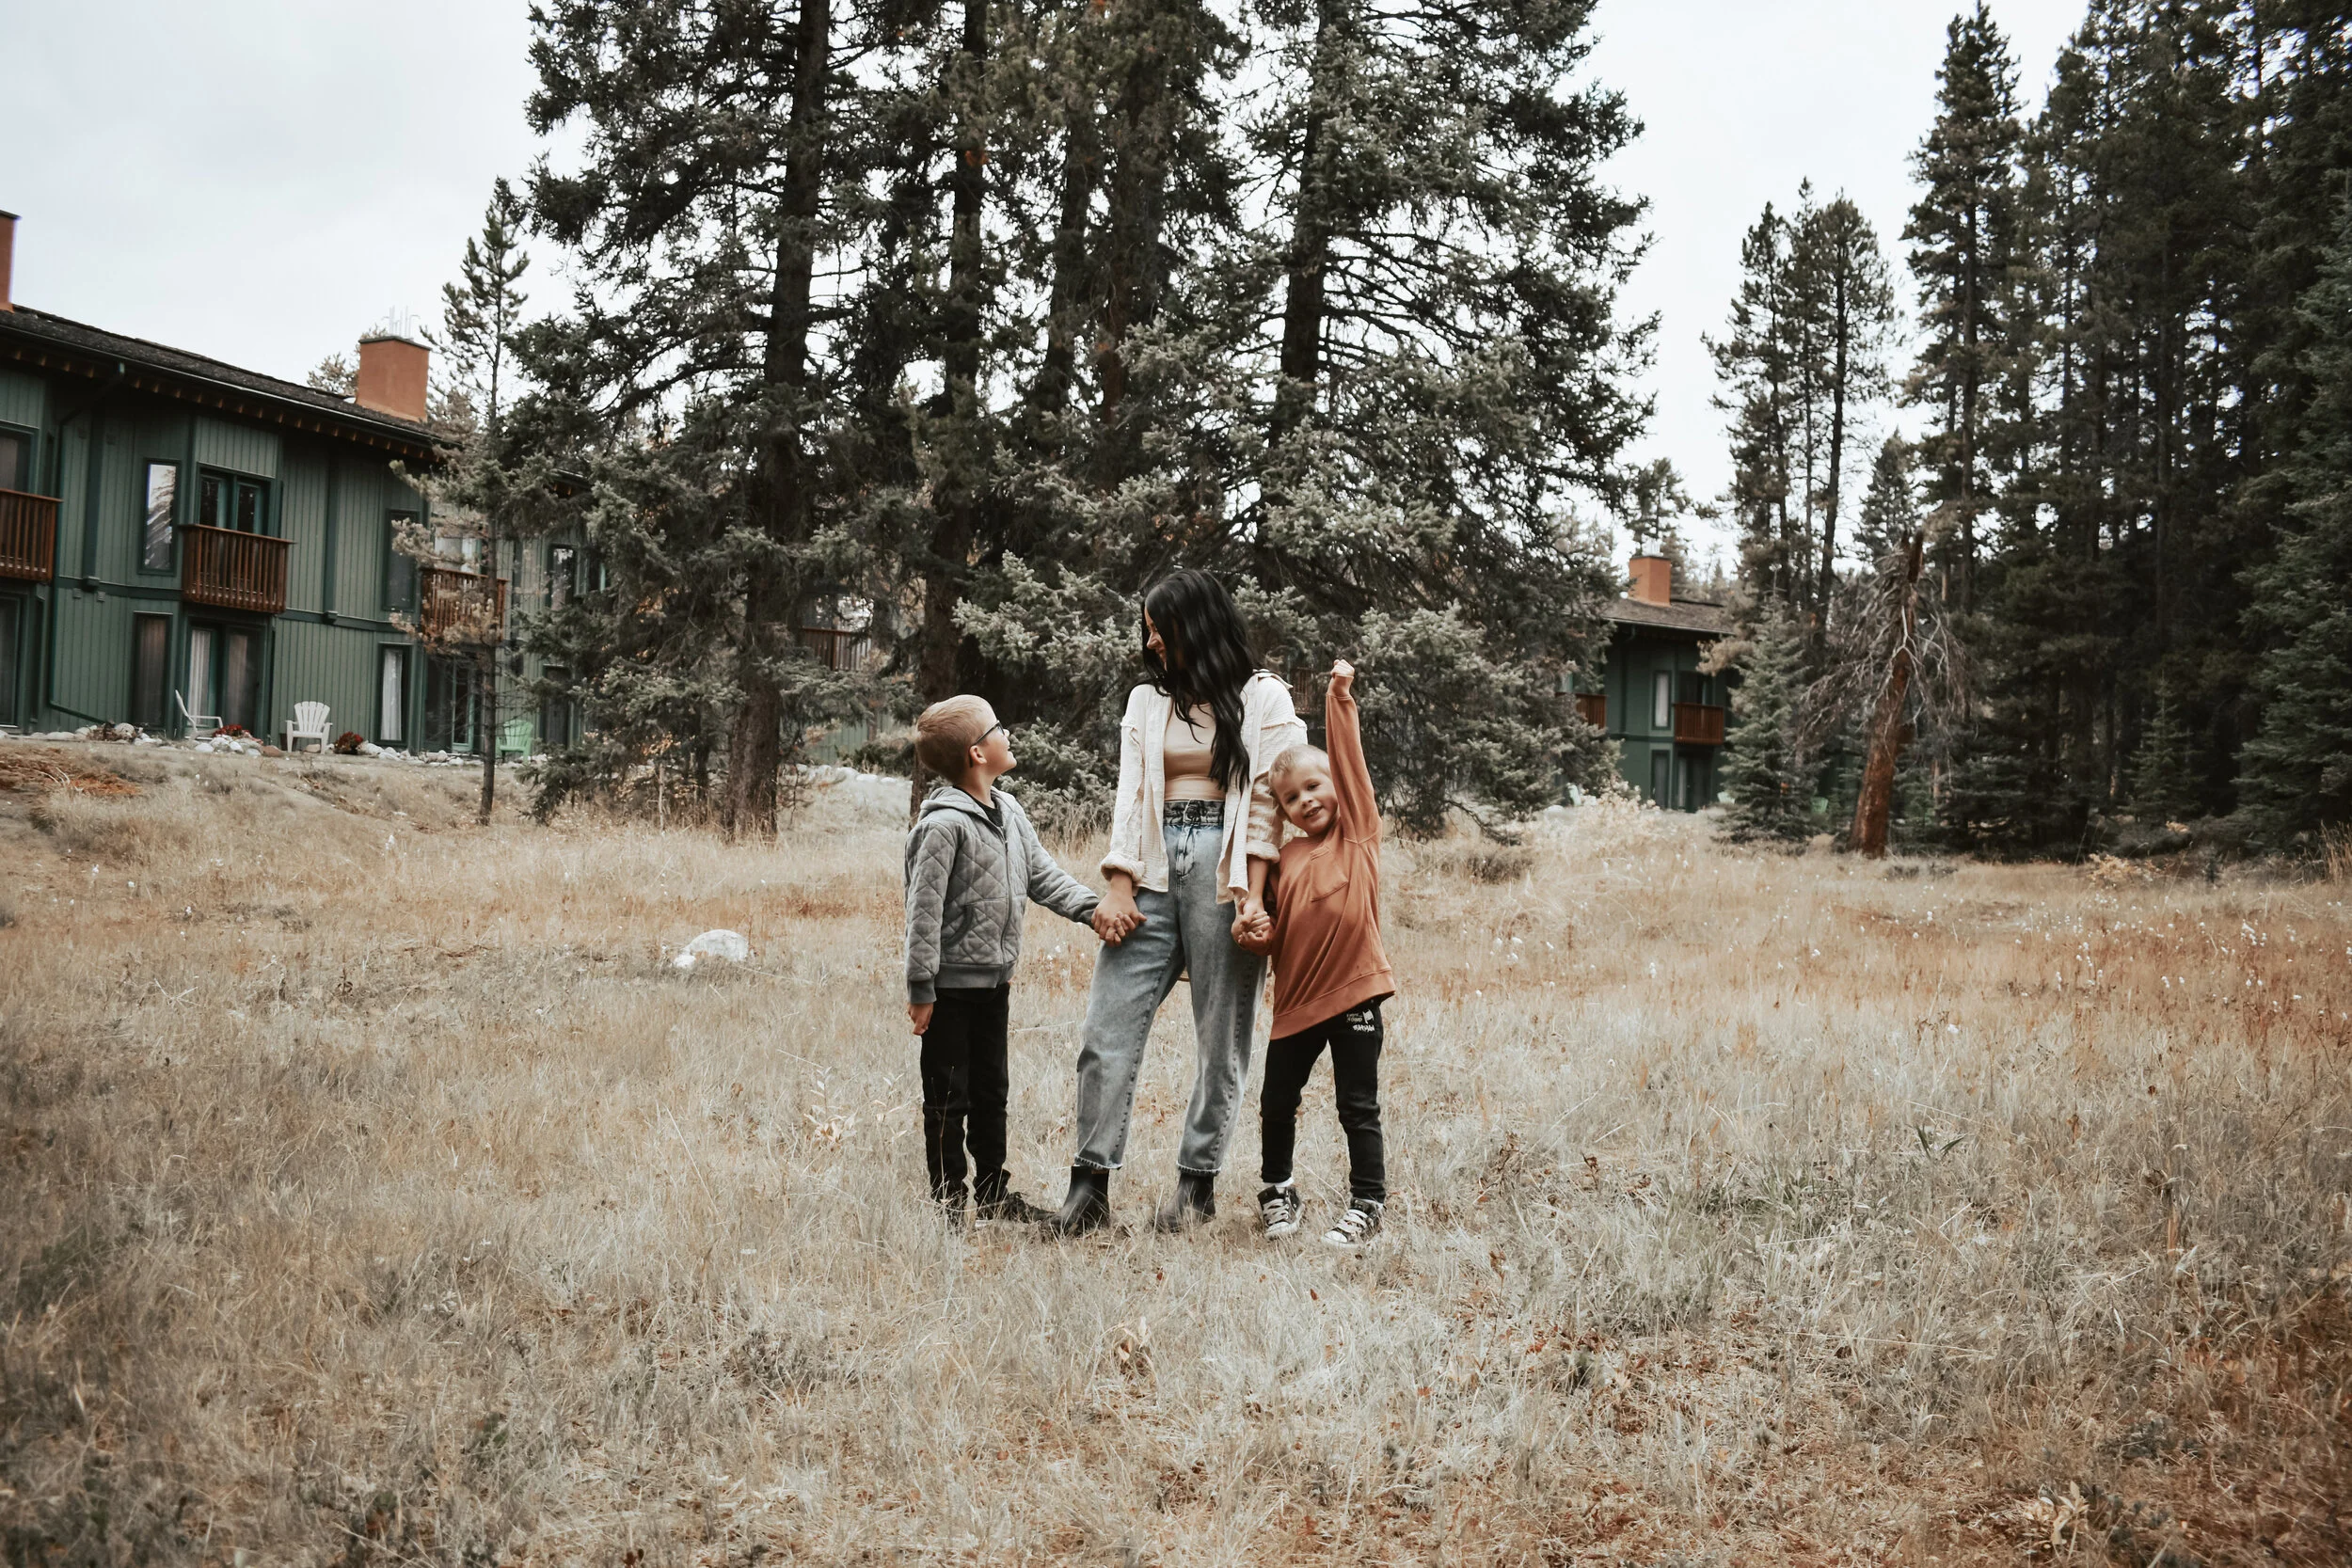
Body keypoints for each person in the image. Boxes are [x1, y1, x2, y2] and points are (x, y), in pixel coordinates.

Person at [1046, 570, 1308, 1235]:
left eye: (1160, 627)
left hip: (1227, 870)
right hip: (1154, 866)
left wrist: (1253, 895)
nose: (1152, 641)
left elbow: (1269, 807)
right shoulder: (1146, 702)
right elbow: (1132, 795)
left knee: (1221, 1038)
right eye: (1147, 630)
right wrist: (1119, 881)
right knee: (1106, 1028)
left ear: (1196, 623)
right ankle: (1088, 1190)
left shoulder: (1264, 697)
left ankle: (1196, 1189)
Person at [903, 695, 1102, 1226]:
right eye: (998, 728)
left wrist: (1093, 910)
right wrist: (921, 988)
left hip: (995, 984)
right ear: (977, 752)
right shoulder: (943, 827)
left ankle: (994, 1194)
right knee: (948, 1098)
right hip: (949, 990)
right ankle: (949, 1205)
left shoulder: (1009, 811)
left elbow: (1042, 875)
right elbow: (922, 912)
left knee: (992, 1092)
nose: (1007, 733)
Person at [1235, 658, 1396, 1247]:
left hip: (1354, 993)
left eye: (1314, 787)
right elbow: (1274, 933)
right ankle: (1278, 1191)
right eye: (1291, 798)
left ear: (1335, 789)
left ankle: (1367, 1202)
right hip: (1296, 1004)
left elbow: (1351, 766)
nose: (1305, 801)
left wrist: (1339, 700)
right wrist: (1255, 931)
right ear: (1282, 812)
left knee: (1357, 1105)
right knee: (1277, 1102)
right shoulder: (1286, 860)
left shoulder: (1358, 835)